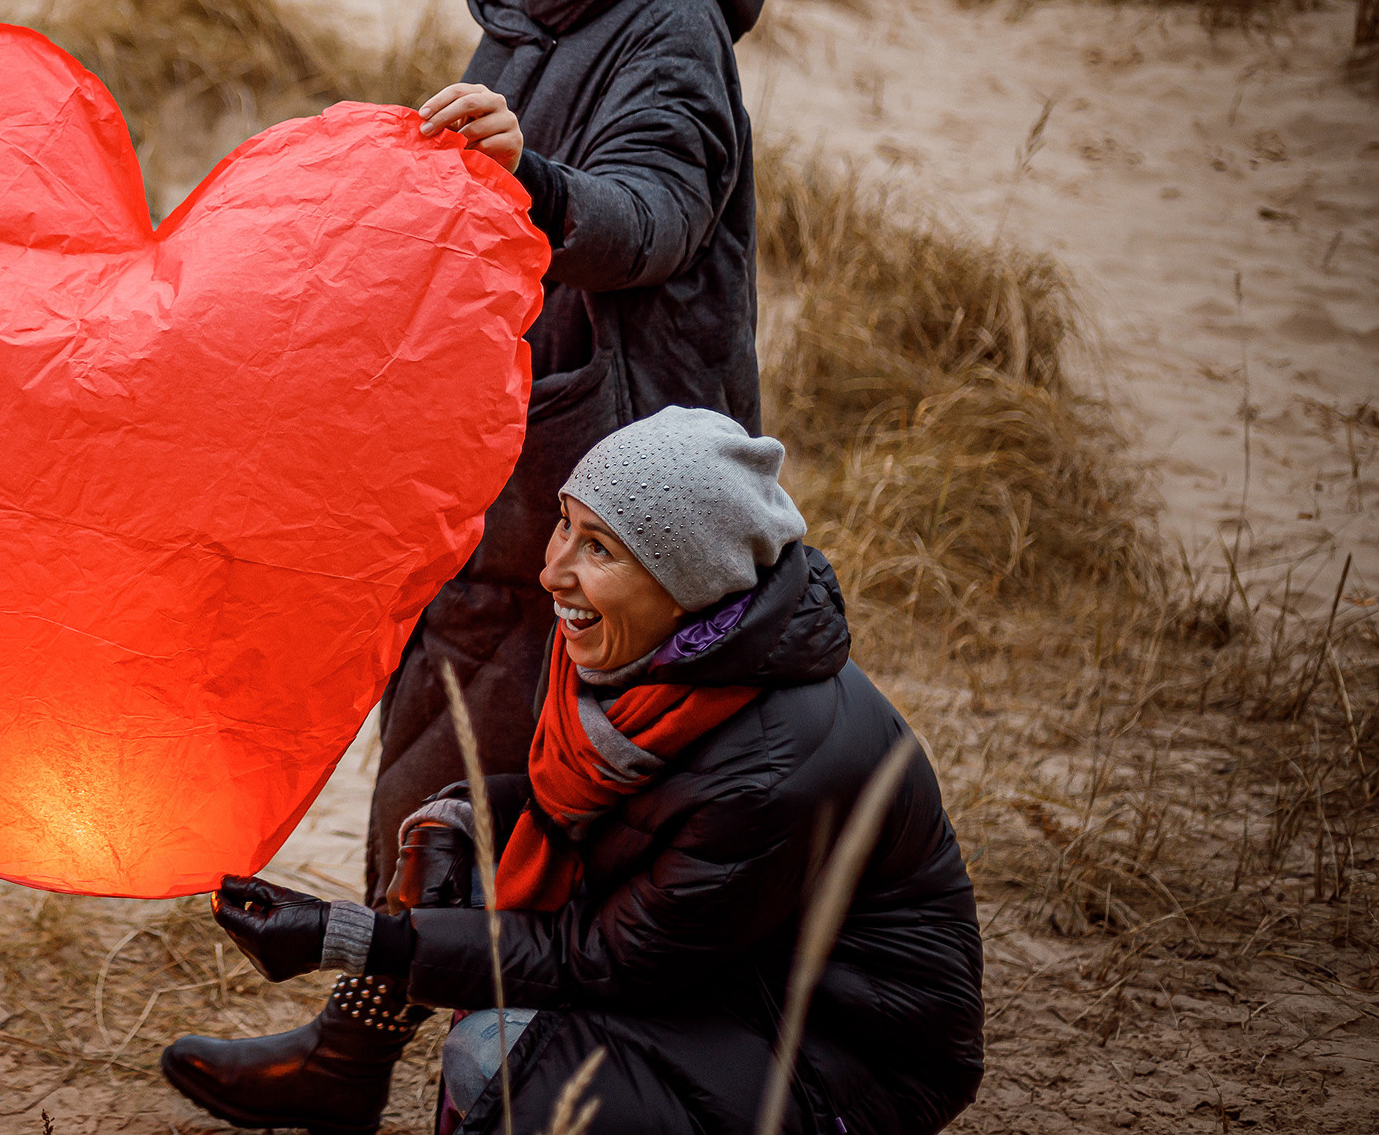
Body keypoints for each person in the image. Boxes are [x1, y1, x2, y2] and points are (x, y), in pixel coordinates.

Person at [221, 0, 773, 1092]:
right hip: (510, 437)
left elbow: (652, 210)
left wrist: (535, 179)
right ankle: (369, 1043)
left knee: (539, 764)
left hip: (617, 463)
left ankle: (495, 1062)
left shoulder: (665, 16)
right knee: (451, 730)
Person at [163, 408, 985, 1135]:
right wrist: (469, 821)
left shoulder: (770, 765)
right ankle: (343, 1064)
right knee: (460, 829)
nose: (553, 571)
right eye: (565, 525)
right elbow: (612, 826)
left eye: (599, 548)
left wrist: (346, 938)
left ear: (685, 581)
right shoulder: (650, 657)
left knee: (503, 1065)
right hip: (730, 971)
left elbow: (602, 959)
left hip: (836, 1052)